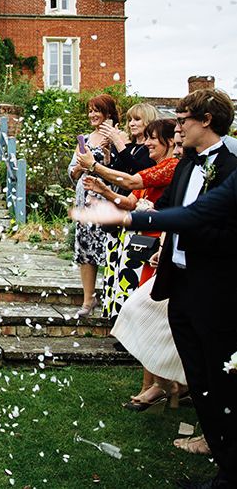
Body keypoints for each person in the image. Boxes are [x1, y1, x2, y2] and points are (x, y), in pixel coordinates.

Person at [71, 89, 237, 489]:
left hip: (214, 288)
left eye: (183, 121)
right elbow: (166, 214)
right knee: (198, 380)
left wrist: (130, 221)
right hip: (177, 285)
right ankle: (224, 471)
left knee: (221, 382)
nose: (177, 128)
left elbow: (201, 217)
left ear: (206, 121)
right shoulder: (184, 167)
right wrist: (128, 215)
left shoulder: (231, 168)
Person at [79, 119, 178, 316]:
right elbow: (130, 202)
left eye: (153, 139)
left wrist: (94, 166)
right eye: (147, 138)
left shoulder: (170, 166)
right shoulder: (154, 168)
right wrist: (105, 192)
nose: (147, 143)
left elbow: (132, 182)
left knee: (142, 290)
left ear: (170, 141)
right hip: (137, 236)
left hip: (154, 238)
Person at [67, 94, 121, 317]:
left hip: (107, 201)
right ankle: (88, 299)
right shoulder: (85, 139)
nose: (92, 115)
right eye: (90, 110)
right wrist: (79, 167)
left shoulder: (117, 137)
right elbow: (71, 173)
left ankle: (111, 296)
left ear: (108, 113)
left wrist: (105, 158)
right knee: (86, 251)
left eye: (97, 110)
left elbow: (121, 170)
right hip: (85, 202)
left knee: (107, 250)